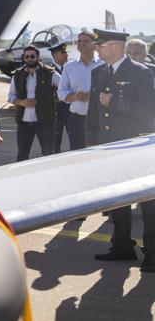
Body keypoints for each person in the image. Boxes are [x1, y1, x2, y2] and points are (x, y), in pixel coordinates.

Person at [88, 29, 155, 270]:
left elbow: (149, 109)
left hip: (136, 147)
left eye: (100, 45)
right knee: (118, 199)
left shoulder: (140, 72)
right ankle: (122, 246)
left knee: (147, 203)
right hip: (111, 146)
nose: (96, 49)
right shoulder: (98, 71)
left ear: (115, 46)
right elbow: (94, 111)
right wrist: (92, 143)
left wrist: (114, 102)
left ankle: (152, 254)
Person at [8, 45, 60, 161]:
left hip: (45, 122)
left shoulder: (50, 73)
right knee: (22, 156)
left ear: (38, 57)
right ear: (23, 58)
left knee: (48, 154)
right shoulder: (17, 75)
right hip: (24, 123)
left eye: (32, 56)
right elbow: (11, 96)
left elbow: (63, 89)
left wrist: (54, 100)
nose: (29, 59)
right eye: (26, 57)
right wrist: (22, 102)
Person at [57, 31, 103, 151]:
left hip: (99, 119)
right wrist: (75, 96)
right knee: (77, 154)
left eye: (86, 41)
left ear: (94, 45)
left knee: (98, 154)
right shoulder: (69, 67)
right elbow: (61, 92)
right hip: (77, 120)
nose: (81, 43)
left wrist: (94, 96)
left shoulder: (104, 65)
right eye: (79, 41)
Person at [49, 42, 71, 152]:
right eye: (63, 53)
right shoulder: (49, 71)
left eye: (66, 52)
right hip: (56, 113)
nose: (66, 55)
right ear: (55, 55)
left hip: (70, 111)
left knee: (75, 140)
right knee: (55, 144)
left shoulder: (70, 69)